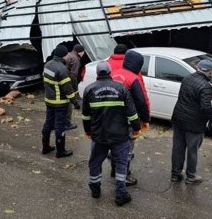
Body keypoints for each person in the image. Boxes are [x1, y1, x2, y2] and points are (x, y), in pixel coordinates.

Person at [82, 62, 141, 207]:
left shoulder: (89, 90)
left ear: (97, 73)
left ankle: (95, 189)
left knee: (95, 162)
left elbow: (85, 116)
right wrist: (136, 128)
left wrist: (88, 131)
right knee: (121, 163)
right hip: (119, 136)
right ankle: (121, 194)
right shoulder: (121, 88)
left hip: (99, 135)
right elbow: (132, 113)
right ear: (110, 73)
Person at [170, 59, 212, 184]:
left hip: (178, 119)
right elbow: (205, 107)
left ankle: (175, 175)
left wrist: (209, 96)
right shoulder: (205, 86)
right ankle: (191, 177)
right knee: (192, 151)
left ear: (198, 67)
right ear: (210, 71)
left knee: (178, 148)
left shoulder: (187, 78)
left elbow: (191, 93)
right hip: (194, 124)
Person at [111, 50, 150, 186]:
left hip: (110, 119)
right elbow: (141, 101)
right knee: (127, 149)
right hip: (127, 120)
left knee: (114, 145)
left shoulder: (113, 74)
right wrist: (145, 119)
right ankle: (124, 175)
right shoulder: (133, 78)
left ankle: (114, 170)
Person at [41, 44, 79, 158]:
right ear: (64, 55)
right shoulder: (62, 69)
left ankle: (45, 147)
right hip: (60, 103)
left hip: (49, 100)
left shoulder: (47, 65)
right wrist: (75, 102)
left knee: (48, 123)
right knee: (59, 126)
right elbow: (67, 89)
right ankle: (60, 151)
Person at [64, 43, 85, 130]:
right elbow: (73, 75)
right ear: (79, 52)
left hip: (61, 79)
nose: (84, 53)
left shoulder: (68, 54)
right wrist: (75, 88)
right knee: (69, 102)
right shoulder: (76, 59)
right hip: (67, 80)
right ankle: (67, 123)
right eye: (83, 51)